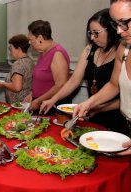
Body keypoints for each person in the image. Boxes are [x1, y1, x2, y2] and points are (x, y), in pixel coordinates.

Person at [40, 9, 129, 135]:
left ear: (112, 29)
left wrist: (98, 107)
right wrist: (53, 99)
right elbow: (74, 81)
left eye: (96, 33)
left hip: (117, 118)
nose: (92, 38)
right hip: (93, 112)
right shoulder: (89, 50)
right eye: (90, 33)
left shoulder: (123, 50)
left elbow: (125, 96)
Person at [73, 0, 131, 155]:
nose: (119, 31)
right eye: (116, 24)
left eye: (124, 22)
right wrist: (88, 103)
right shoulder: (123, 49)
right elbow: (113, 85)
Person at [24, 20, 70, 114]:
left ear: (40, 38)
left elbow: (60, 85)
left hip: (51, 106)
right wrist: (32, 94)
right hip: (41, 102)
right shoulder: (43, 52)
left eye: (31, 39)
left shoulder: (57, 53)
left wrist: (38, 100)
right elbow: (43, 79)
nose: (29, 43)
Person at [0, 34, 35, 103]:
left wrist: (3, 84)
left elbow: (17, 87)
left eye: (11, 48)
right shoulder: (30, 61)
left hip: (17, 104)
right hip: (27, 102)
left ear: (18, 49)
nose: (10, 51)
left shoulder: (18, 64)